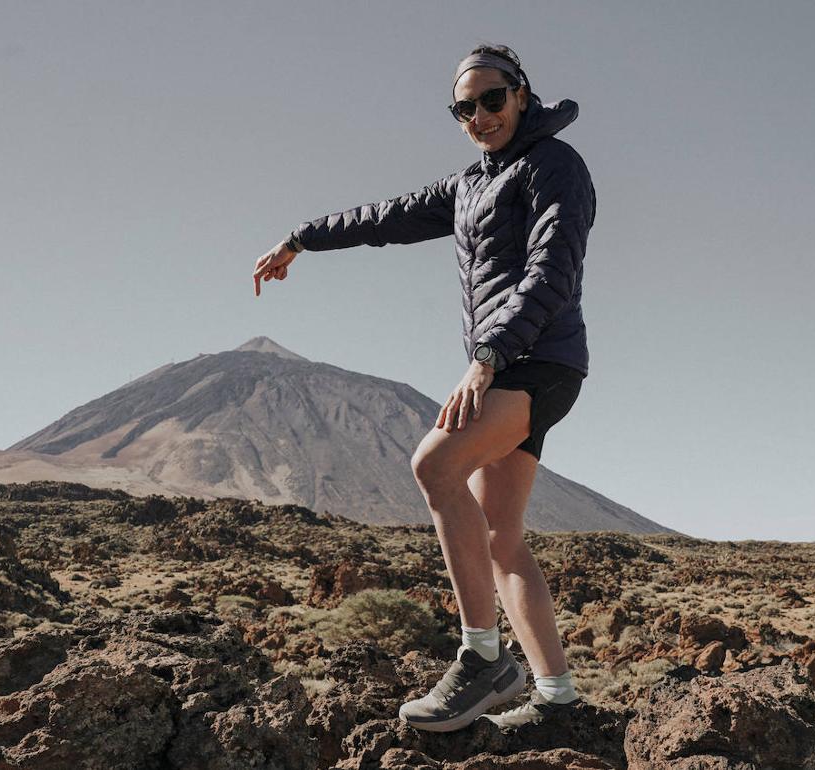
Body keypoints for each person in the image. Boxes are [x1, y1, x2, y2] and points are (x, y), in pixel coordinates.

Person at [251, 43, 595, 732]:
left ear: (522, 95)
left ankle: (484, 660)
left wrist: (489, 357)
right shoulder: (468, 185)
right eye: (463, 109)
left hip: (539, 361)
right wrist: (300, 239)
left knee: (433, 464)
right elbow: (383, 218)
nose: (479, 116)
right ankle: (556, 699)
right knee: (501, 536)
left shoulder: (556, 166)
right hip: (510, 363)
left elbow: (552, 272)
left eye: (491, 100)